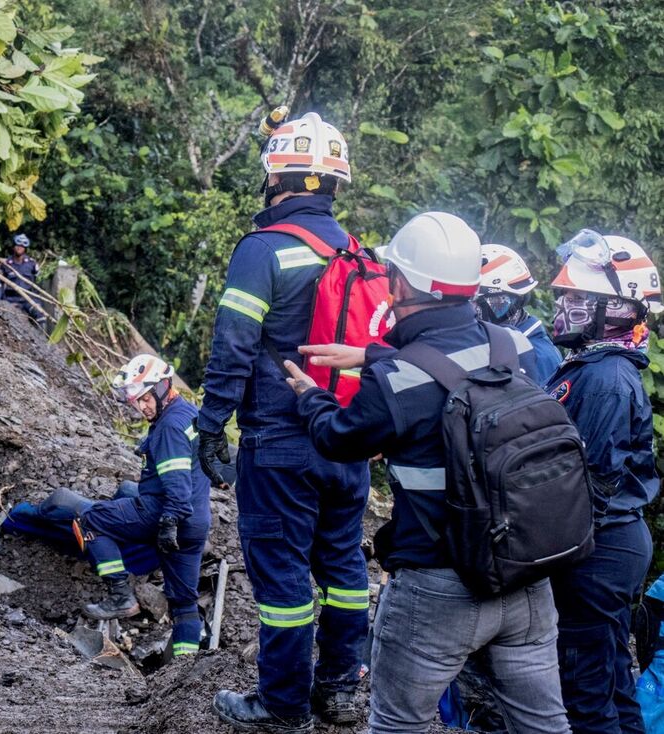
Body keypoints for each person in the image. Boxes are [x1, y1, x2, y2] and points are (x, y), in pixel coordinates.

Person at [284, 211, 570, 734]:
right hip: (528, 578)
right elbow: (456, 362)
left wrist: (310, 398)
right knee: (544, 726)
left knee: (399, 725)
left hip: (440, 589)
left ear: (398, 282)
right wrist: (374, 355)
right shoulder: (521, 349)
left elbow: (338, 439)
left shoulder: (398, 378)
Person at [200, 110, 371, 730]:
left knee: (283, 579)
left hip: (280, 442)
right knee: (346, 569)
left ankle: (282, 707)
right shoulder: (356, 251)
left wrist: (211, 422)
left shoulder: (264, 250)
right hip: (348, 440)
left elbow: (234, 346)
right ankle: (340, 691)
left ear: (277, 176)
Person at [543, 229, 662, 734]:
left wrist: (553, 550)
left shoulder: (607, 378)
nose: (564, 303)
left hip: (600, 548)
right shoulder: (592, 368)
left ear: (614, 309)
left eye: (577, 296)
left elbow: (590, 480)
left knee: (585, 691)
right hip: (606, 545)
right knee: (611, 679)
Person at [74, 354, 212, 657]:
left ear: (164, 388)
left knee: (89, 520)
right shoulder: (190, 414)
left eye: (146, 399)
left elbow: (177, 483)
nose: (141, 407)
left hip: (166, 511)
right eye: (136, 402)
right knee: (184, 602)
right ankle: (183, 669)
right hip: (197, 524)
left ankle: (121, 596)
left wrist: (168, 521)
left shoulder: (168, 428)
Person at [474, 243, 563, 381]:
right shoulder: (497, 342)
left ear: (513, 301)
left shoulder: (538, 355)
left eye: (477, 301)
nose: (472, 309)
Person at [0, 233, 47, 327]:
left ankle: (42, 340)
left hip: (28, 298)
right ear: (13, 247)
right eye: (17, 245)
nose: (19, 248)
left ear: (25, 248)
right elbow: (0, 285)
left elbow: (37, 283)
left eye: (22, 246)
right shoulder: (6, 264)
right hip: (11, 299)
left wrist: (36, 299)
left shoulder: (31, 264)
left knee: (41, 315)